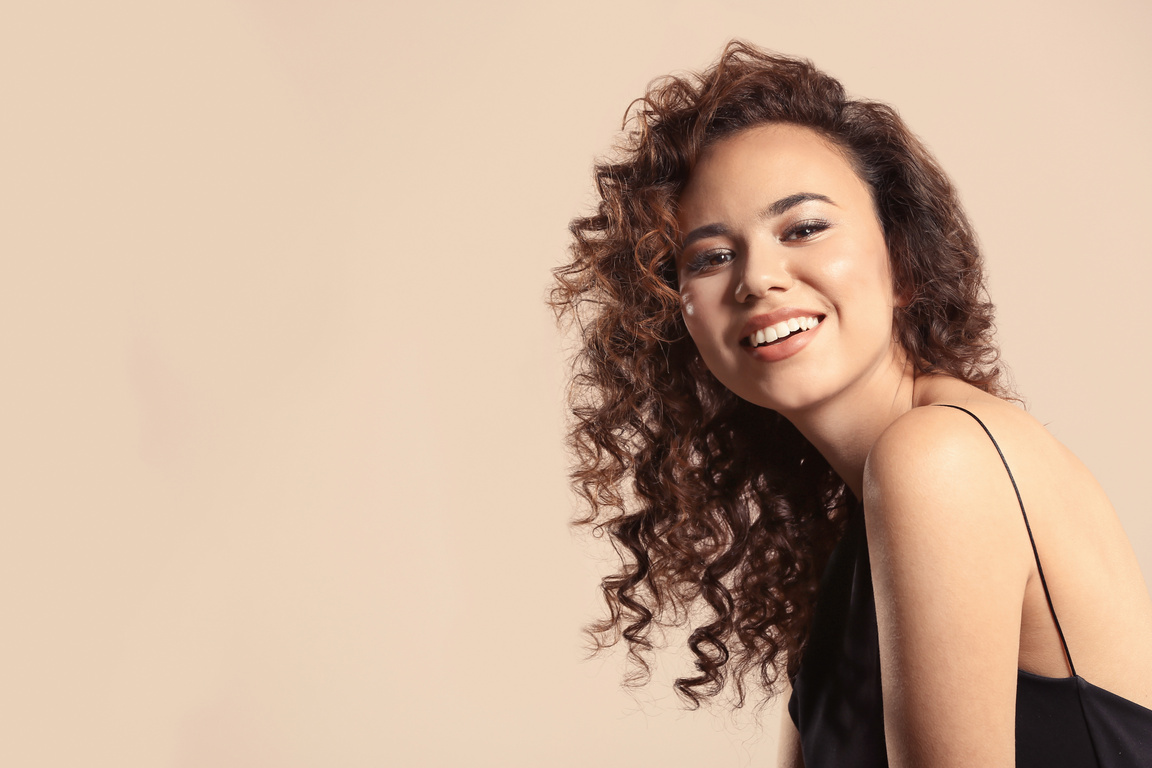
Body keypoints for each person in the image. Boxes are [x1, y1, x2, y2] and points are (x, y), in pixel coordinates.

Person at [551, 41, 1152, 767]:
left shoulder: (939, 460)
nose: (759, 279)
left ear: (902, 260)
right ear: (678, 316)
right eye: (710, 257)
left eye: (802, 228)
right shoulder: (859, 532)